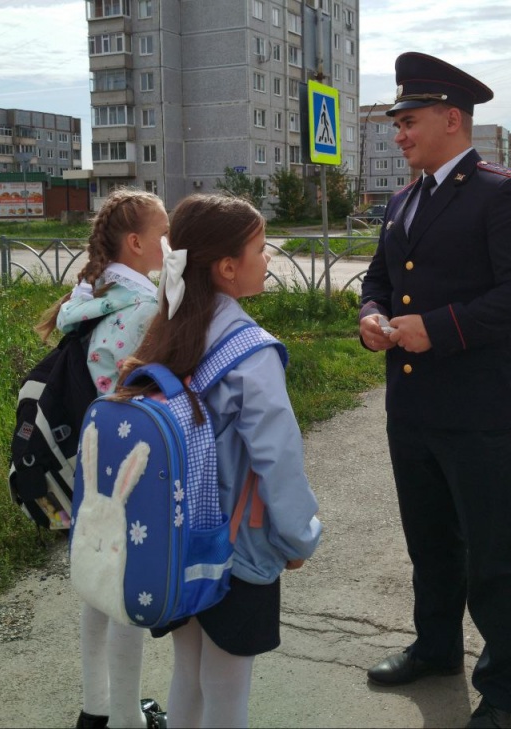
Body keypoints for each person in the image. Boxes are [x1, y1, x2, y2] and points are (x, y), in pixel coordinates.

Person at [359, 52, 511, 729]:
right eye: (397, 123)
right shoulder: (404, 198)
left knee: (493, 553)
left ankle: (502, 690)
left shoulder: (504, 190)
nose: (399, 135)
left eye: (408, 122)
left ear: (451, 118)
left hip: (476, 411)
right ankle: (436, 646)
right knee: (430, 543)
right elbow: (378, 278)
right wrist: (370, 317)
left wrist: (435, 329)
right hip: (411, 410)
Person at [118, 194, 322, 728]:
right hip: (238, 549)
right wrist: (299, 537)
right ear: (228, 268)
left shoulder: (167, 332)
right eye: (261, 248)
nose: (269, 257)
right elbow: (278, 457)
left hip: (177, 542)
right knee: (228, 691)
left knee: (189, 673)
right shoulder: (249, 352)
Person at [35, 188, 169, 729]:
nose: (171, 245)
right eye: (165, 234)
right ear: (136, 243)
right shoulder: (141, 309)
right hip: (127, 464)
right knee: (126, 595)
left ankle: (96, 710)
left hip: (86, 457)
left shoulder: (89, 297)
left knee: (96, 582)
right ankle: (125, 720)